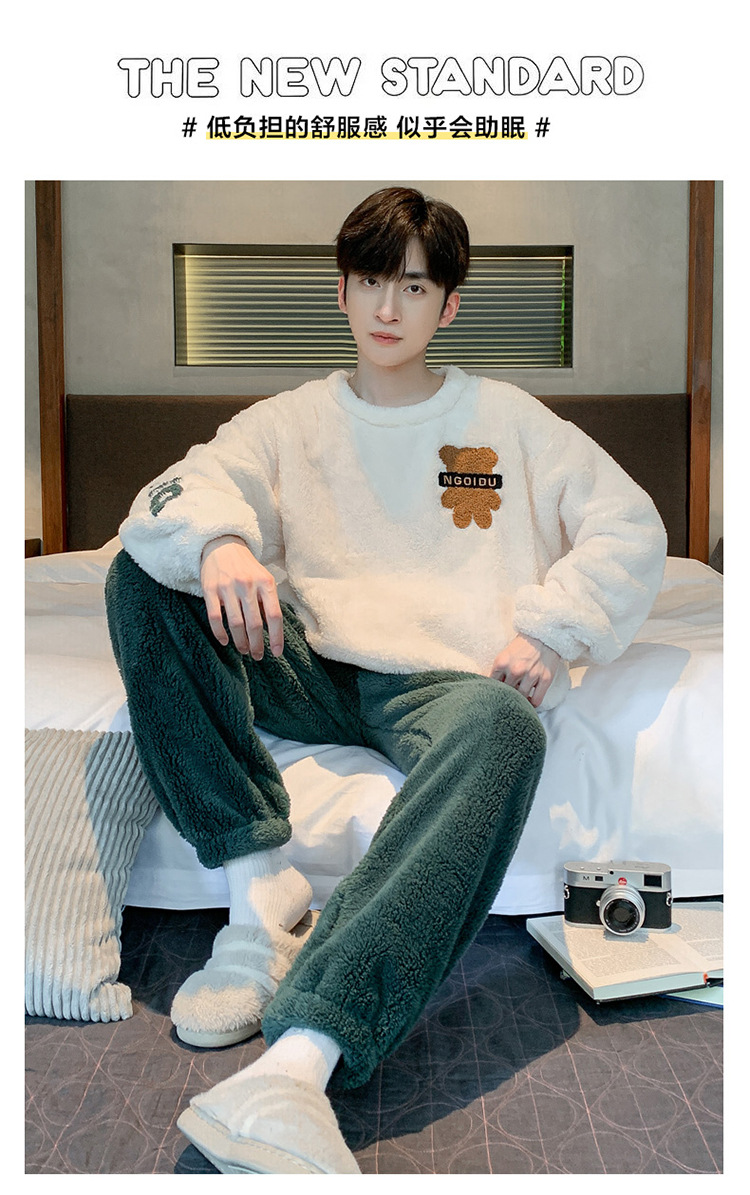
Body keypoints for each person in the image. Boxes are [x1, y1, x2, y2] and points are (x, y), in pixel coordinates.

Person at [105, 187, 667, 1174]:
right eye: (371, 280)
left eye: (413, 286)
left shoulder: (508, 417)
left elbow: (630, 526)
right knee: (144, 572)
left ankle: (302, 1055)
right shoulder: (290, 420)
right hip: (308, 664)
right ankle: (257, 888)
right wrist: (223, 542)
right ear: (341, 291)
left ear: (449, 304)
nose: (388, 306)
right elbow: (172, 496)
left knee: (507, 727)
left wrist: (556, 628)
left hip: (443, 682)